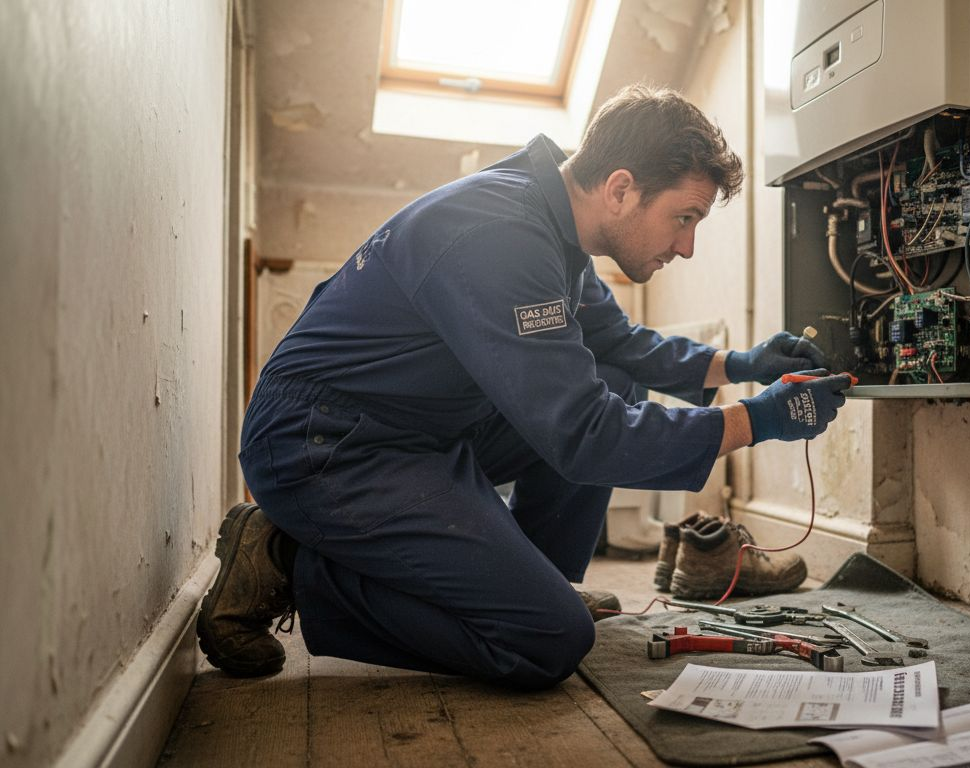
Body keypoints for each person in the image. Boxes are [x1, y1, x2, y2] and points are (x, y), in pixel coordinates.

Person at [196, 84, 852, 689]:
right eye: (684, 218)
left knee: (616, 378)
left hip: (409, 427)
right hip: (323, 445)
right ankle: (286, 561)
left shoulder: (555, 224)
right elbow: (585, 434)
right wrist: (758, 420)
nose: (686, 247)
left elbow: (619, 345)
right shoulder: (501, 235)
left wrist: (744, 364)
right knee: (545, 642)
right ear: (621, 189)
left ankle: (537, 582)